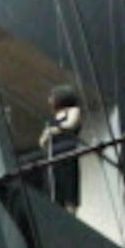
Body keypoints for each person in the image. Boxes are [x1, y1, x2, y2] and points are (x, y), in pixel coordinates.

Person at [34, 83, 84, 211]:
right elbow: (41, 142)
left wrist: (55, 130)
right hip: (53, 158)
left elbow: (71, 124)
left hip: (67, 153)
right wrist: (44, 137)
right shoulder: (51, 119)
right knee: (55, 191)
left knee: (69, 188)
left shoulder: (73, 110)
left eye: (52, 97)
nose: (49, 100)